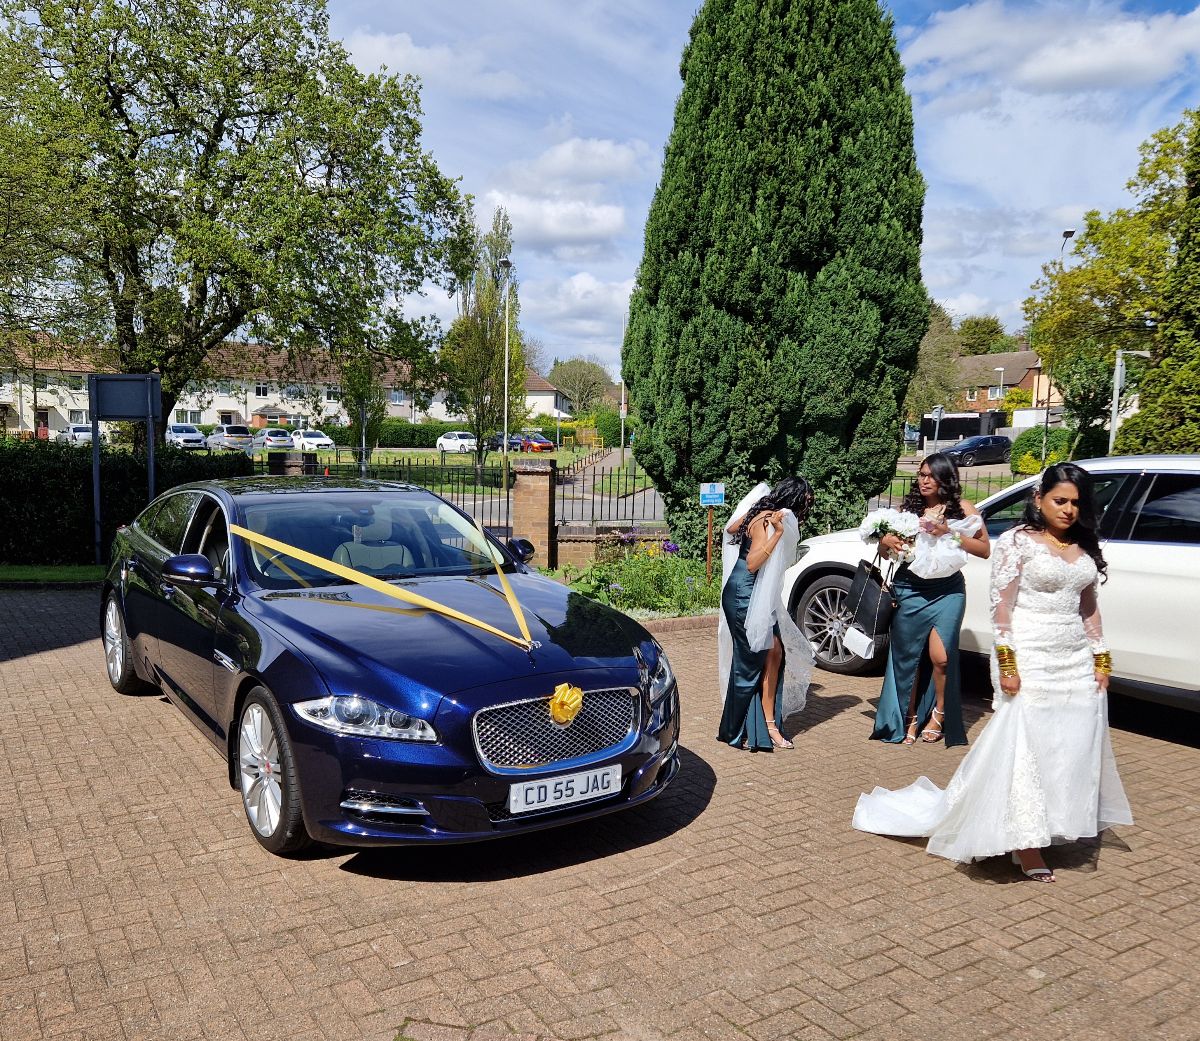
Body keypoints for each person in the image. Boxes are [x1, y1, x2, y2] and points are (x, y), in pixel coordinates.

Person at [852, 463, 1133, 880]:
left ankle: (1050, 821)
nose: (1069, 510)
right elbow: (1001, 608)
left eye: (1077, 503)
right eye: (1061, 500)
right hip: (1030, 654)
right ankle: (1025, 842)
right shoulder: (1019, 542)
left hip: (1074, 660)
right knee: (1027, 746)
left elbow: (1089, 605)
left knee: (1068, 746)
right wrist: (1007, 663)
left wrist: (1101, 658)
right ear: (1039, 500)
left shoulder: (1084, 545)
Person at [869, 453, 990, 747]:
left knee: (942, 658)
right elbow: (889, 555)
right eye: (921, 475)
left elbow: (984, 549)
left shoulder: (963, 510)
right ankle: (908, 716)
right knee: (907, 659)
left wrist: (949, 531)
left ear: (945, 478)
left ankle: (939, 712)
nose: (924, 480)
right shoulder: (908, 511)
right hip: (910, 589)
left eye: (930, 475)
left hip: (948, 591)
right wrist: (885, 542)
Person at [716, 478, 815, 751]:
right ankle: (735, 730)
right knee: (748, 664)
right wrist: (777, 534)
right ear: (795, 500)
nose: (808, 507)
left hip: (747, 592)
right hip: (744, 594)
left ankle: (765, 722)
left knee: (775, 651)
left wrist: (751, 515)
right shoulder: (769, 522)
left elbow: (730, 529)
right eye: (806, 501)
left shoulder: (762, 515)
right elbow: (751, 563)